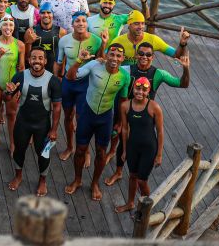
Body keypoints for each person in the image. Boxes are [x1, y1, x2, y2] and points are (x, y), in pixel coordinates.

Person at [104, 43, 190, 186]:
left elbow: (182, 84)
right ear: (137, 55)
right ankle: (118, 171)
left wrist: (186, 69)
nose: (144, 57)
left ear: (153, 57)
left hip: (144, 117)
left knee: (137, 143)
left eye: (148, 54)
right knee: (120, 139)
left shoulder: (158, 74)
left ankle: (138, 176)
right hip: (125, 110)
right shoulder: (126, 69)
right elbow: (110, 67)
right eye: (141, 54)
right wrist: (102, 59)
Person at [64, 44, 130, 201]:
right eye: (111, 54)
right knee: (80, 150)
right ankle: (78, 180)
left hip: (105, 118)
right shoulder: (95, 65)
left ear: (122, 59)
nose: (114, 58)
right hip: (88, 113)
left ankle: (94, 184)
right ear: (106, 55)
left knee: (101, 153)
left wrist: (120, 123)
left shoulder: (124, 76)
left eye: (118, 56)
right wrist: (79, 60)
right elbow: (70, 77)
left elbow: (123, 100)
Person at [5, 47, 61, 196]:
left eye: (40, 58)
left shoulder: (53, 81)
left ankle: (42, 180)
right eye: (34, 58)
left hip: (42, 125)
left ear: (45, 61)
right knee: (19, 150)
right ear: (29, 60)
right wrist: (9, 92)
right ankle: (18, 176)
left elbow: (56, 108)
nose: (37, 61)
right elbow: (8, 98)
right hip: (23, 122)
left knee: (43, 154)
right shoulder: (19, 77)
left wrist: (54, 129)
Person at [54, 12, 103, 161]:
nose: (81, 23)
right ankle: (70, 147)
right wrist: (57, 81)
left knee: (82, 118)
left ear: (87, 24)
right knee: (68, 116)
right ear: (72, 24)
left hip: (87, 84)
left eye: (83, 20)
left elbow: (102, 60)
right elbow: (58, 62)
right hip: (69, 82)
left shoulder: (96, 40)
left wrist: (105, 44)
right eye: (77, 21)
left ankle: (85, 150)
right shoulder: (64, 40)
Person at [114, 77, 164, 213]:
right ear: (133, 89)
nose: (140, 92)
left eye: (144, 89)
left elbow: (160, 132)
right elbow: (124, 129)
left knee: (142, 181)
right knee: (132, 176)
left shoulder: (154, 107)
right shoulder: (125, 106)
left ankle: (146, 208)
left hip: (149, 148)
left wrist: (159, 154)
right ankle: (130, 203)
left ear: (148, 91)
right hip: (132, 146)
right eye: (137, 88)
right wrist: (124, 150)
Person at [0, 14, 25, 151]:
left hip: (12, 85)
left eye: (10, 25)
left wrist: (19, 88)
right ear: (0, 27)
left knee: (11, 114)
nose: (8, 28)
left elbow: (22, 69)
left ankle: (13, 143)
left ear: (14, 28)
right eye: (5, 25)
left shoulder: (19, 45)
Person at [110, 11, 189, 65]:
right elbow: (105, 57)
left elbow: (176, 55)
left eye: (143, 23)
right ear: (129, 25)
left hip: (143, 80)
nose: (140, 27)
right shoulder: (118, 41)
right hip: (123, 79)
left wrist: (182, 44)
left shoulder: (153, 39)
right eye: (136, 23)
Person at [24, 3, 67, 71]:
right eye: (43, 13)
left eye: (49, 12)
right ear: (39, 15)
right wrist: (29, 43)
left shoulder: (61, 31)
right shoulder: (31, 31)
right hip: (36, 70)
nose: (46, 15)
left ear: (53, 14)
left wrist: (61, 73)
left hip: (54, 71)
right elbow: (27, 57)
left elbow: (64, 55)